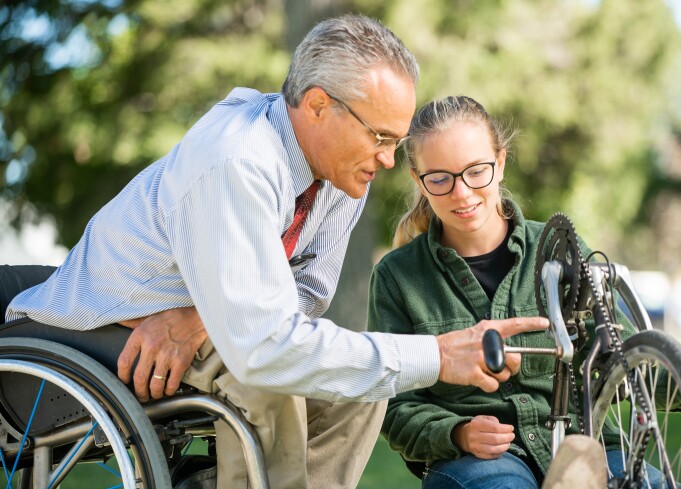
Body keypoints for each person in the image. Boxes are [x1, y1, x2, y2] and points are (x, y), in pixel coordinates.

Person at [4, 17, 545, 489]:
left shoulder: (338, 174)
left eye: (395, 142)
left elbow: (305, 296)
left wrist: (201, 319)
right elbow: (265, 346)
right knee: (270, 382)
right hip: (98, 329)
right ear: (317, 106)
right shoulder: (237, 161)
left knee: (360, 387)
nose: (386, 161)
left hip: (187, 327)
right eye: (379, 136)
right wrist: (438, 356)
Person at [367, 95, 681, 488]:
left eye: (476, 171)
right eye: (441, 178)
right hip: (479, 462)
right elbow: (393, 406)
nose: (461, 193)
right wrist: (457, 432)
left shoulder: (560, 253)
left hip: (584, 446)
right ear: (418, 179)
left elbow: (620, 362)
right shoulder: (398, 277)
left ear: (499, 163)